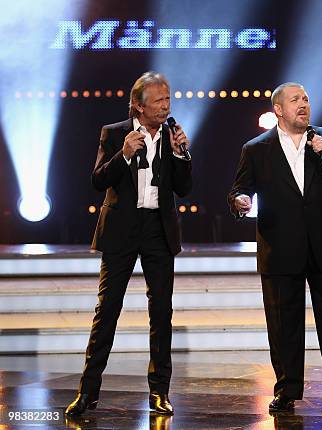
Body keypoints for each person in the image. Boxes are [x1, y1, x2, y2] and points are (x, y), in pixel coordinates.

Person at [228, 82, 322, 412]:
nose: (303, 104)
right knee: (283, 323)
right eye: (295, 100)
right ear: (279, 110)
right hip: (281, 246)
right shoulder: (256, 149)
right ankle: (287, 389)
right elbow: (237, 189)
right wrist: (240, 201)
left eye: (306, 98)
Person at [65, 71, 192, 416]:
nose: (166, 106)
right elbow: (96, 180)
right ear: (138, 105)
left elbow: (184, 187)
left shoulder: (172, 136)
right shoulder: (115, 132)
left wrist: (182, 154)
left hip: (158, 230)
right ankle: (88, 391)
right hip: (121, 229)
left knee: (161, 313)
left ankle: (159, 393)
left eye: (168, 99)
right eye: (159, 100)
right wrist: (122, 155)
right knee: (107, 312)